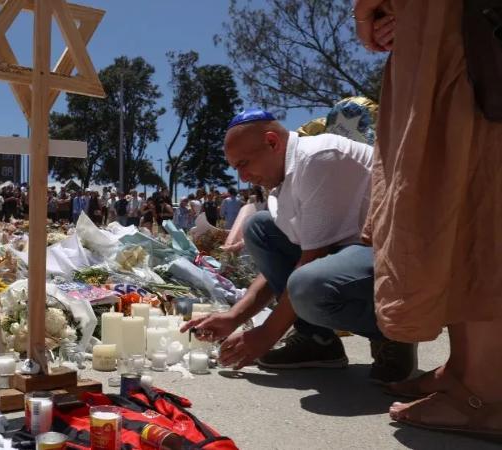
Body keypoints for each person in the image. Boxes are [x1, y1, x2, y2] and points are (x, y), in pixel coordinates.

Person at [355, 0, 502, 437]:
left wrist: (368, 15)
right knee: (450, 205)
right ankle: (463, 370)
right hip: (443, 26)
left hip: (458, 29)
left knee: (475, 193)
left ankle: (485, 395)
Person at [182, 109, 415, 384]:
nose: (243, 177)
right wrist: (234, 316)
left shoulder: (317, 158)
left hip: (396, 258)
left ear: (272, 142)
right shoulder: (285, 178)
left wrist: (265, 335)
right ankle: (316, 340)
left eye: (244, 163)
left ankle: (393, 332)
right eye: (236, 168)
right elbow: (281, 267)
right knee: (259, 228)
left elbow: (310, 260)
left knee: (308, 285)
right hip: (352, 253)